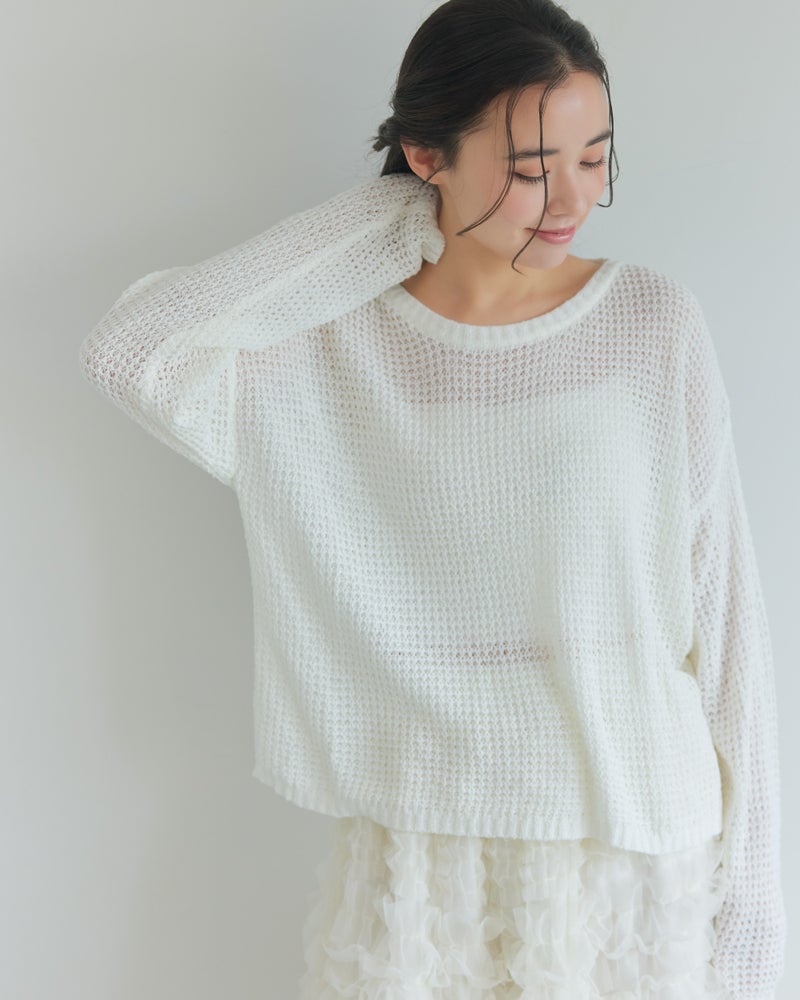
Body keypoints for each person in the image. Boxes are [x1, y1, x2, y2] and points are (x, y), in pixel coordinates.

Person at [79, 0, 786, 996]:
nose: (572, 197)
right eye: (531, 167)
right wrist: (389, 222)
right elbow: (132, 352)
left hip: (622, 852)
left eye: (594, 158)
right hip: (421, 853)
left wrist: (751, 921)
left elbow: (729, 629)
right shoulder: (322, 347)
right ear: (426, 153)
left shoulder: (649, 325)